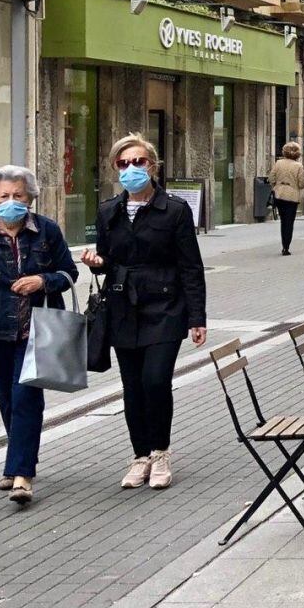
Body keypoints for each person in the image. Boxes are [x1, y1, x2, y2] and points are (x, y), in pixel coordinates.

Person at [81, 134, 207, 491]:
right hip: (123, 307)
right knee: (132, 388)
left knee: (155, 381)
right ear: (114, 169)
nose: (131, 169)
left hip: (165, 307)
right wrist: (96, 262)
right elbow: (107, 260)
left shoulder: (175, 210)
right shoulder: (109, 210)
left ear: (152, 166)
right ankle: (140, 456)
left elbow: (191, 267)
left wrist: (197, 317)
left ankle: (161, 452)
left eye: (138, 162)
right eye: (123, 164)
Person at [0, 166, 78, 505]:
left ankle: (22, 474)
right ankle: (17, 459)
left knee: (25, 397)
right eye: (4, 196)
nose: (11, 202)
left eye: (18, 196)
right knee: (8, 400)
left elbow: (69, 272)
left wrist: (43, 281)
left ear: (30, 198)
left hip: (38, 330)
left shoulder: (47, 232)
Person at [268, 141, 304, 256]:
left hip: (279, 195)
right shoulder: (299, 166)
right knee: (289, 222)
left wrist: (276, 185)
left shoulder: (278, 163)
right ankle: (286, 247)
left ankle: (284, 244)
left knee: (283, 220)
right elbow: (301, 183)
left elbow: (271, 177)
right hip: (291, 196)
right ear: (297, 154)